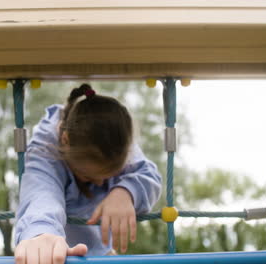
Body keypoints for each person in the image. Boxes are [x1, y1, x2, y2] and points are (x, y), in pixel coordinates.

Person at [14, 84, 162, 264]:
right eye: (89, 176)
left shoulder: (118, 140)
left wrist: (126, 192)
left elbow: (148, 174)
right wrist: (40, 232)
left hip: (100, 251)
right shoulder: (45, 149)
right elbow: (41, 192)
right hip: (59, 251)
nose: (101, 184)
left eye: (109, 176)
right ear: (65, 140)